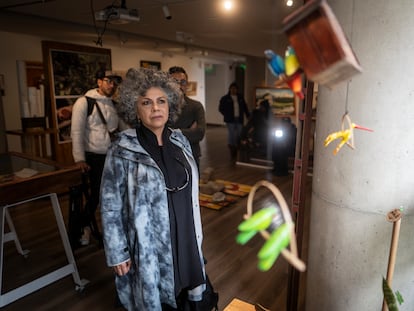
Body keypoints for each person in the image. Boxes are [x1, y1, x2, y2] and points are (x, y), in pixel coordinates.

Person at [100, 68, 217, 310]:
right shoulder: (122, 148)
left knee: (188, 291)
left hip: (185, 234)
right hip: (149, 245)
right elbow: (110, 206)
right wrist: (117, 252)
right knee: (157, 297)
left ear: (170, 105)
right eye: (146, 102)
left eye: (161, 101)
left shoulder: (180, 140)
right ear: (135, 108)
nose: (155, 108)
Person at [70, 69, 122, 246]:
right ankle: (83, 228)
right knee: (96, 196)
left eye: (115, 82)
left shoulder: (113, 104)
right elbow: (76, 131)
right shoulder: (84, 102)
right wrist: (79, 159)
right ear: (99, 81)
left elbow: (120, 129)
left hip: (112, 156)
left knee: (111, 195)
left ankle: (105, 229)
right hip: (93, 157)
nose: (112, 85)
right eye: (108, 81)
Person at [168, 66, 206, 171]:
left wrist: (170, 133)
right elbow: (157, 134)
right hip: (168, 156)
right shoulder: (162, 106)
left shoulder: (196, 106)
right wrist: (188, 131)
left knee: (192, 187)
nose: (179, 86)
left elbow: (199, 133)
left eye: (183, 82)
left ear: (187, 84)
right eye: (175, 82)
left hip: (191, 156)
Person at [218, 82, 250, 161]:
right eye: (232, 88)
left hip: (239, 118)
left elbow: (245, 107)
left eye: (235, 88)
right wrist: (226, 114)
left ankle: (238, 146)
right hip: (230, 119)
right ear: (229, 89)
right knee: (231, 133)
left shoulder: (240, 97)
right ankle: (232, 147)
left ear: (237, 89)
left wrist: (248, 115)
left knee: (239, 132)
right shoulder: (225, 98)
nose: (233, 90)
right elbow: (221, 108)